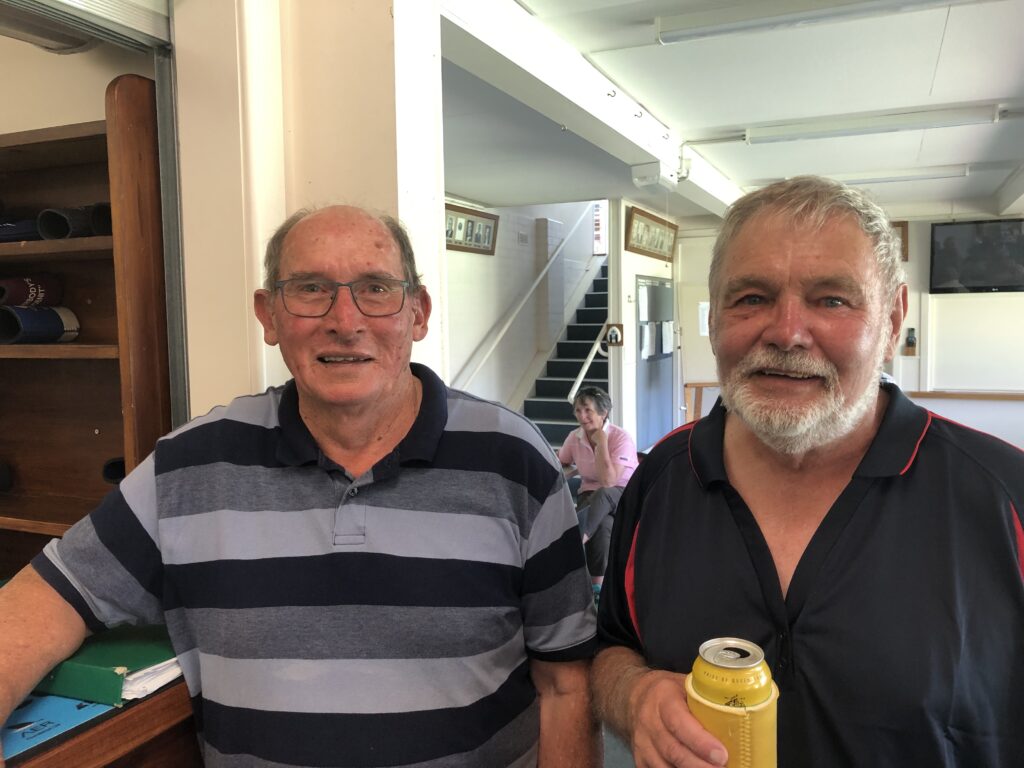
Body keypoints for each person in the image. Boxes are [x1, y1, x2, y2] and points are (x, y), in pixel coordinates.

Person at [0, 206, 601, 767]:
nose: (345, 321)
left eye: (376, 288)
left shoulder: (513, 459)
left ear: (417, 312)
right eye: (310, 289)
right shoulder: (187, 467)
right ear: (269, 316)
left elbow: (565, 683)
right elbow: (43, 603)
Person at [591, 176, 1024, 767]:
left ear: (893, 319)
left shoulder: (1004, 498)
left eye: (832, 300)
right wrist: (634, 695)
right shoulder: (662, 479)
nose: (787, 332)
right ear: (714, 318)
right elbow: (614, 647)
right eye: (751, 298)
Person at [558, 386, 638, 587]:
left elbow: (609, 482)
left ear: (603, 413)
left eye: (588, 410)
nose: (582, 416)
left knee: (603, 493)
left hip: (624, 495)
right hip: (591, 497)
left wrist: (601, 443)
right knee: (601, 526)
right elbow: (562, 459)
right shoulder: (575, 437)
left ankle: (572, 543)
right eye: (578, 410)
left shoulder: (620, 438)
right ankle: (598, 588)